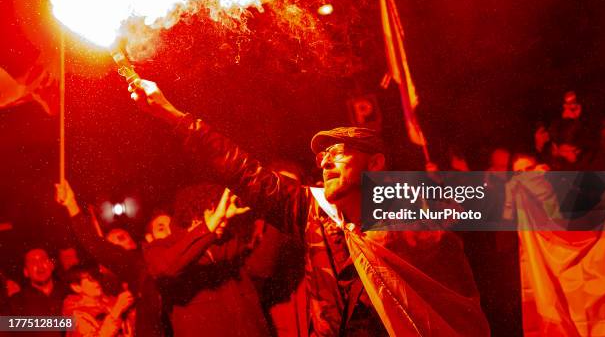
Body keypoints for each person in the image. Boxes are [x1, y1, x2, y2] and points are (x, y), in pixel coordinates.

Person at [128, 79, 490, 336]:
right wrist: (172, 115)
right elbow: (241, 170)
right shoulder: (311, 212)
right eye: (322, 157)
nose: (325, 163)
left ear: (376, 164)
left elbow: (522, 204)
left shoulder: (417, 204)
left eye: (339, 154)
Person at [143, 184, 270, 337]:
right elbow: (165, 269)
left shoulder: (227, 242)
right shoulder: (162, 247)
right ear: (195, 213)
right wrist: (208, 228)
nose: (223, 219)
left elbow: (262, 269)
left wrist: (277, 213)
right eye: (216, 212)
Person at [55, 181, 167, 337]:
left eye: (121, 238)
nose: (116, 249)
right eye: (111, 246)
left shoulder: (151, 263)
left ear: (134, 243)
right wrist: (72, 204)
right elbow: (93, 243)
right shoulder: (114, 288)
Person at [63, 264, 135, 337]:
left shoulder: (109, 301)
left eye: (96, 277)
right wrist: (117, 309)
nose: (97, 282)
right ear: (76, 287)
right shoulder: (76, 314)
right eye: (90, 279)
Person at [9, 248, 66, 336]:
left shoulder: (70, 291)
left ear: (51, 265)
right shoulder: (16, 302)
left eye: (43, 259)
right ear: (26, 272)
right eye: (32, 262)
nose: (39, 265)